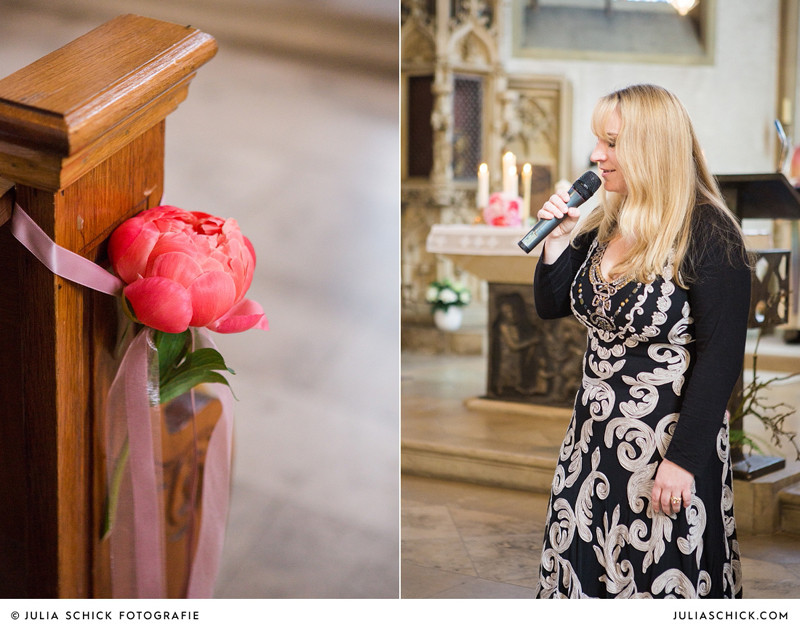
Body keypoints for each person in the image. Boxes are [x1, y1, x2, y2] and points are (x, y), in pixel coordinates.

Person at [532, 84, 750, 599]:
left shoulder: (709, 232)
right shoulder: (607, 222)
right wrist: (558, 241)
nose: (594, 155)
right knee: (583, 566)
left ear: (652, 147)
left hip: (665, 443)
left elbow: (720, 360)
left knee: (659, 575)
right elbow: (551, 305)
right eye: (596, 140)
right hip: (590, 437)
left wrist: (682, 461)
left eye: (610, 142)